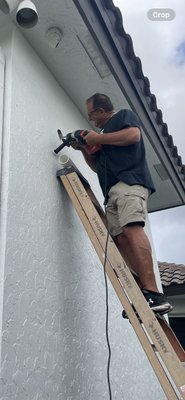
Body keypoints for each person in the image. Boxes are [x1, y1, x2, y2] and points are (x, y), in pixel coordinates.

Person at [73, 93, 172, 316]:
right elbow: (98, 168)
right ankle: (143, 294)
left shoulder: (123, 117)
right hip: (111, 192)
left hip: (130, 183)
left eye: (92, 115)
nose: (92, 120)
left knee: (131, 228)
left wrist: (96, 139)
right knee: (121, 239)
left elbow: (134, 136)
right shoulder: (105, 139)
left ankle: (155, 294)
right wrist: (84, 149)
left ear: (101, 111)